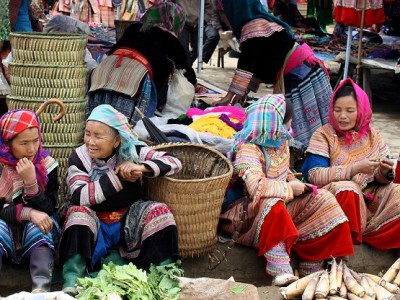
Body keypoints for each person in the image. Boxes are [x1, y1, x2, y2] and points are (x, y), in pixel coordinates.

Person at [220, 95, 353, 286]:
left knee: (323, 198)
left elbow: (284, 172)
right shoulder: (248, 148)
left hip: (279, 205)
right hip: (245, 213)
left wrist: (294, 181)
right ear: (276, 122)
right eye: (288, 119)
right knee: (272, 201)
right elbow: (256, 186)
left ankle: (312, 267)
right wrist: (289, 187)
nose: (291, 124)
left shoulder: (280, 143)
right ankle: (280, 270)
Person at [58, 104, 182, 296]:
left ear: (116, 141)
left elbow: (175, 162)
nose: (90, 141)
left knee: (161, 212)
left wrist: (142, 168)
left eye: (98, 136)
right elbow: (80, 196)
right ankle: (72, 280)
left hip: (127, 223)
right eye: (88, 134)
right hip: (95, 224)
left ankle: (165, 277)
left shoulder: (133, 150)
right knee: (77, 214)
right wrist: (118, 177)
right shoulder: (80, 156)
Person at [213, 0, 332, 149]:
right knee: (317, 125)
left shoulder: (253, 28)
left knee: (306, 129)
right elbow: (258, 65)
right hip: (305, 72)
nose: (224, 19)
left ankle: (313, 160)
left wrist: (229, 96)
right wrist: (243, 91)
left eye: (224, 13)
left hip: (301, 77)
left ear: (235, 10)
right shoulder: (260, 25)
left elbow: (246, 65)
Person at [302, 78, 400, 250]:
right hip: (335, 199)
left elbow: (383, 178)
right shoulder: (323, 135)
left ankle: (381, 237)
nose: (342, 116)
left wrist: (384, 172)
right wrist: (354, 169)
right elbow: (314, 175)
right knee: (348, 189)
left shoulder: (373, 135)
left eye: (350, 110)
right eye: (337, 110)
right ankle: (344, 246)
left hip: (370, 197)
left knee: (398, 191)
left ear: (361, 111)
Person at [87, 2, 196, 124]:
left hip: (106, 69)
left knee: (102, 118)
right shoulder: (170, 39)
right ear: (174, 21)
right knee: (126, 125)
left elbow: (114, 50)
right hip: (134, 77)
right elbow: (188, 73)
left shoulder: (133, 28)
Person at [0, 109, 60, 293]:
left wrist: (31, 182)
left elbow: (49, 207)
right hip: (8, 227)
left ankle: (40, 290)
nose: (31, 149)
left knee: (41, 226)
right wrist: (28, 213)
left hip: (34, 232)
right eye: (24, 143)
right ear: (8, 144)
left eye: (35, 141)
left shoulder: (47, 165)